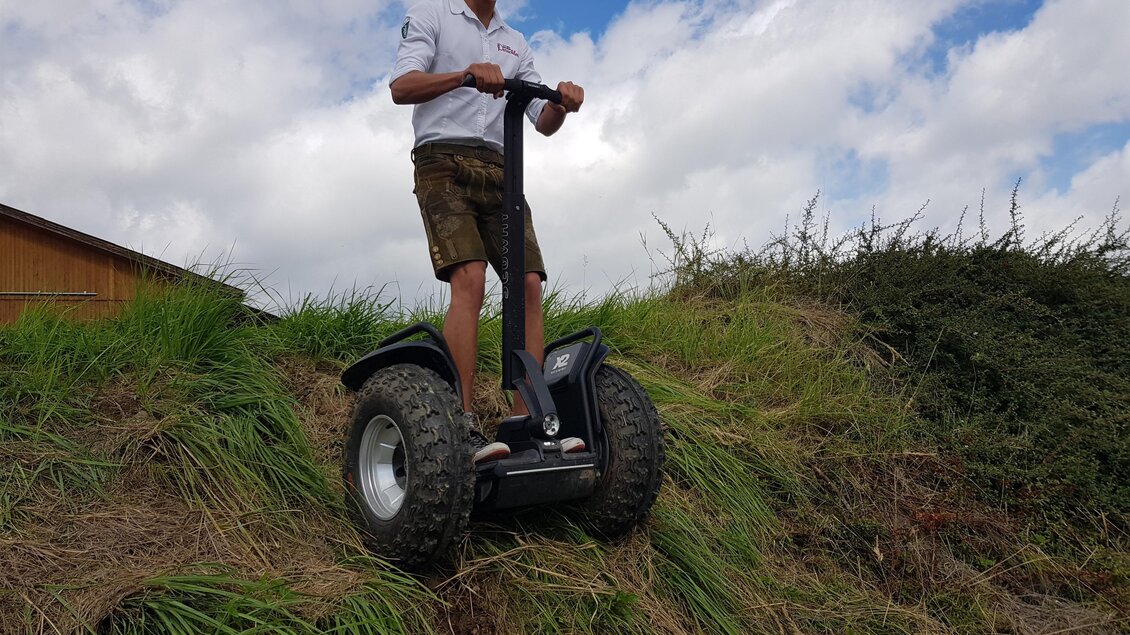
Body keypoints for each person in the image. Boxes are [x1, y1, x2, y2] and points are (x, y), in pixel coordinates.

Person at [389, 0, 586, 463]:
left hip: (502, 168)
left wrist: (562, 101)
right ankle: (458, 424)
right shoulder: (430, 15)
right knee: (471, 278)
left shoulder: (515, 41)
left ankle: (527, 423)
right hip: (442, 162)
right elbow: (401, 87)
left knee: (530, 286)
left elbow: (543, 121)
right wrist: (464, 76)